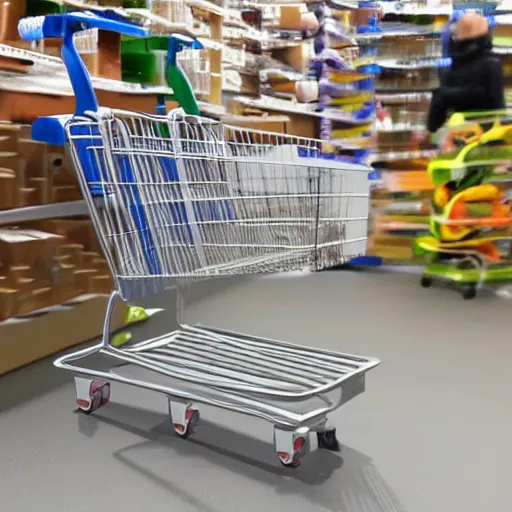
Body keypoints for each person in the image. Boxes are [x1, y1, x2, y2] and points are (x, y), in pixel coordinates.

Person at [427, 12, 505, 133]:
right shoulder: (492, 64)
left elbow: (435, 121)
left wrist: (445, 95)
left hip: (472, 133)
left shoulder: (488, 65)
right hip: (480, 134)